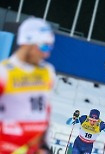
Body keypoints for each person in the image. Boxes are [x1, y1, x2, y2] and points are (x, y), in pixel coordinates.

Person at [0, 17, 56, 154]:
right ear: (27, 43)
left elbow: (44, 110)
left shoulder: (47, 72)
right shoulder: (4, 72)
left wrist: (43, 146)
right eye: (44, 46)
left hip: (32, 148)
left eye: (50, 46)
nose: (47, 53)